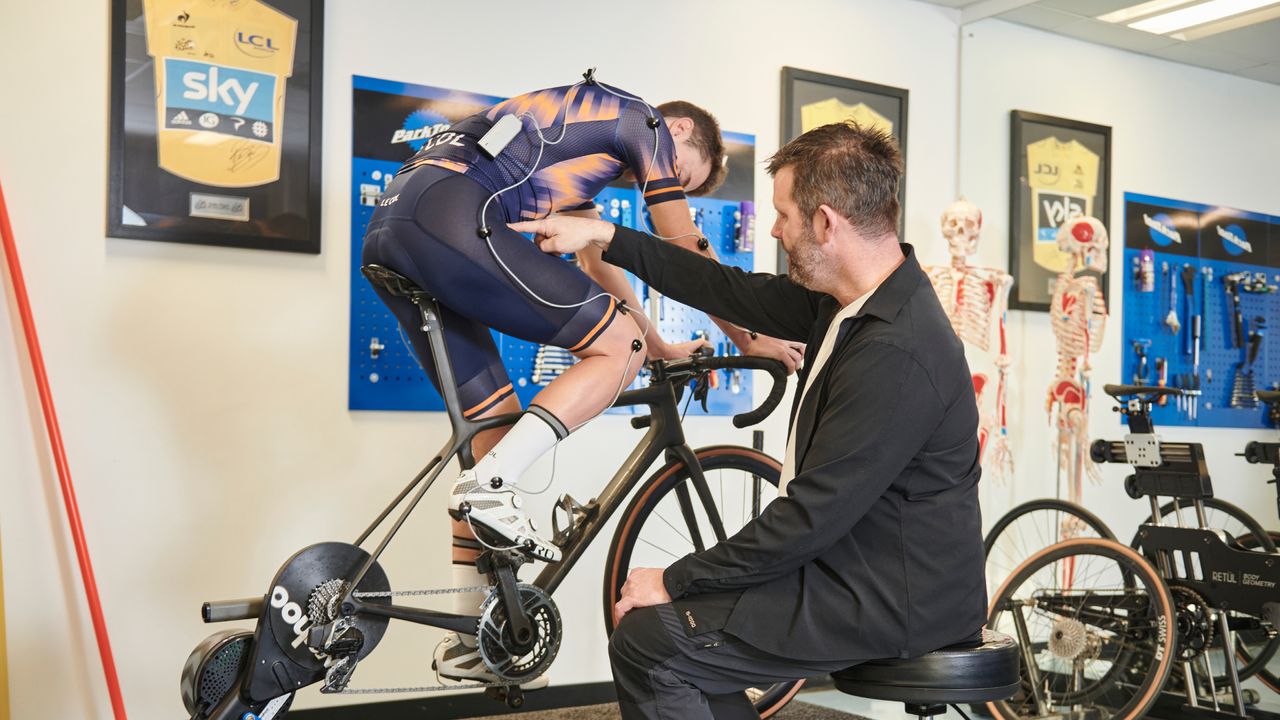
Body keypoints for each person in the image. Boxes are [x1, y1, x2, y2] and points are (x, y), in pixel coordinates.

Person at [515, 122, 987, 719]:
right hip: (850, 567)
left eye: (784, 215)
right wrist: (604, 234)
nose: (774, 230)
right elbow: (722, 286)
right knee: (670, 637)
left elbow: (808, 518)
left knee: (653, 643)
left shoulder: (898, 350)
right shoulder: (850, 304)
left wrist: (678, 578)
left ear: (824, 223)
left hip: (893, 596)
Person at [360, 75, 805, 684]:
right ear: (676, 132)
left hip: (392, 229)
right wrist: (749, 337)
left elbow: (597, 257)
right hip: (449, 214)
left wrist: (658, 346)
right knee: (511, 458)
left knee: (493, 438)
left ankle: (471, 639)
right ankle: (492, 484)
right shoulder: (641, 121)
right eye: (680, 176)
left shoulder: (573, 158)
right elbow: (688, 247)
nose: (656, 185)